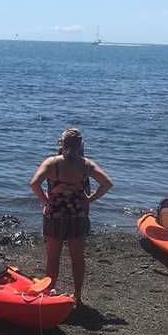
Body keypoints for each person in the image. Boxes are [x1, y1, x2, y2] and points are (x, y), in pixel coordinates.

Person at [29, 127, 113, 305]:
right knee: (77, 259)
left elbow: (34, 183)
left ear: (61, 143)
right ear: (80, 145)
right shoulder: (86, 164)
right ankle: (78, 296)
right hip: (77, 215)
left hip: (55, 214)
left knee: (53, 258)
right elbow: (107, 184)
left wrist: (46, 201)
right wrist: (89, 199)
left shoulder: (52, 163)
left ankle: (50, 293)